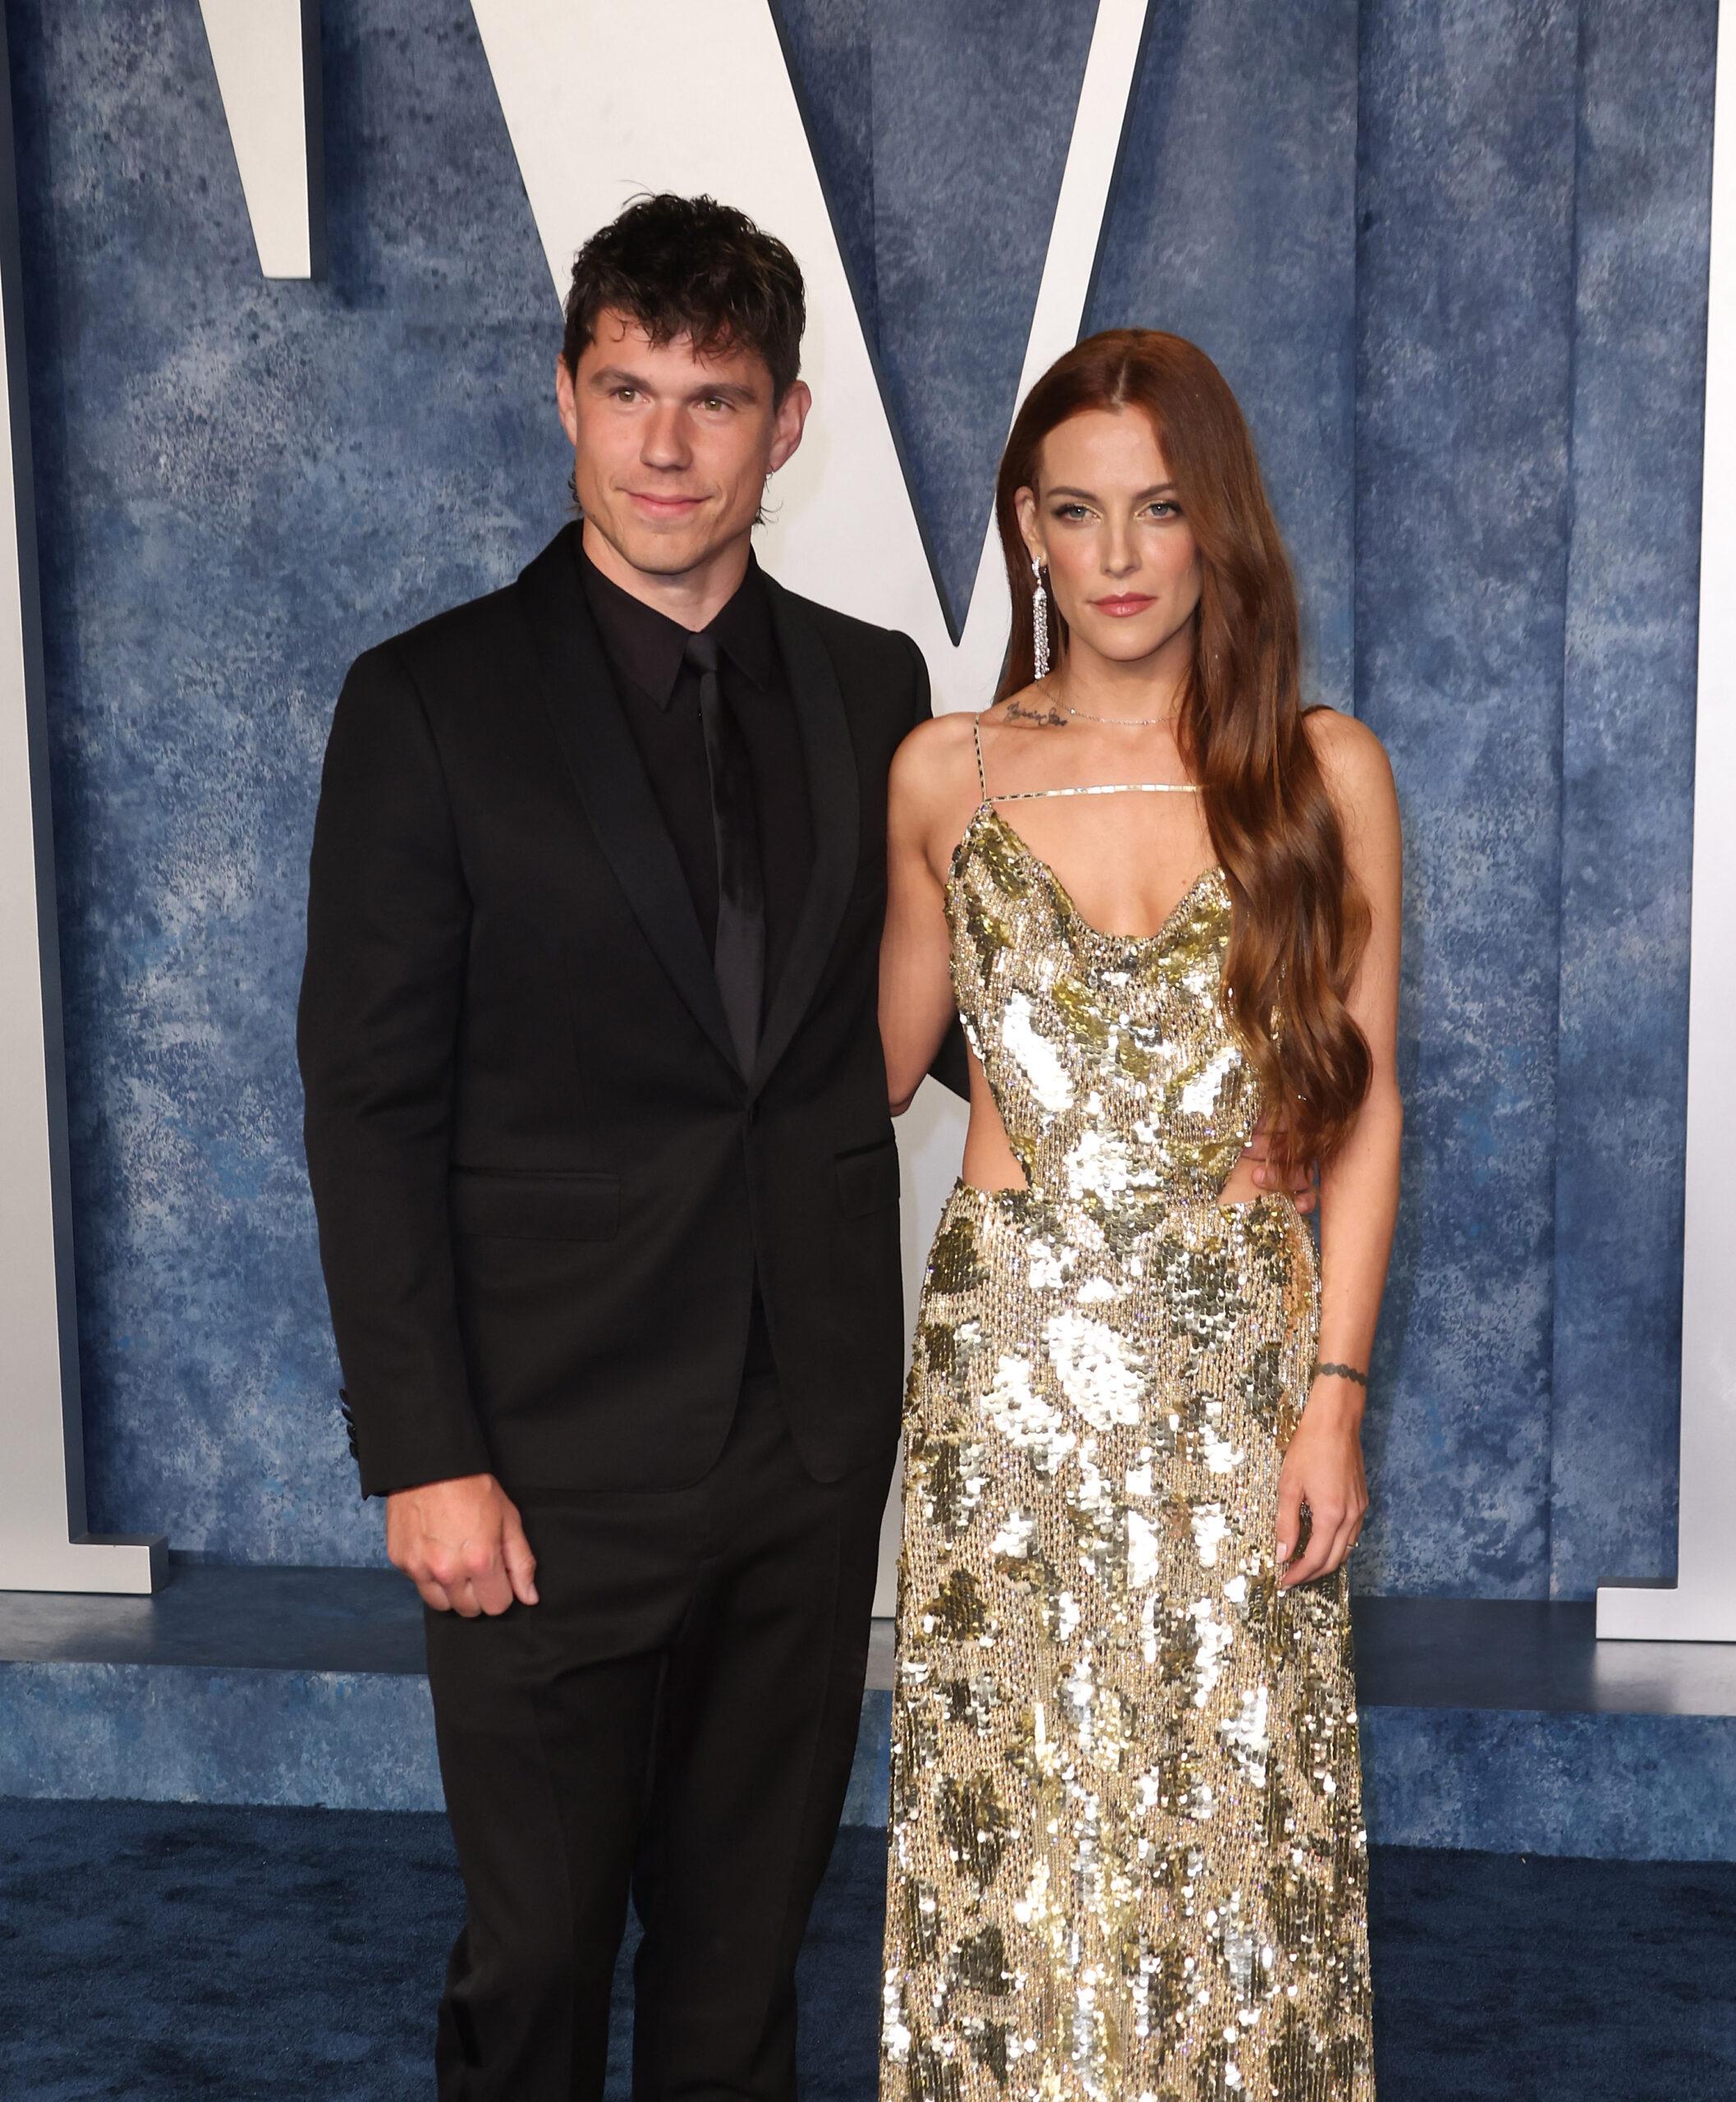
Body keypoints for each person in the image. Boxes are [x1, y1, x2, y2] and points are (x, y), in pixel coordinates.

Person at [297, 192, 969, 2100]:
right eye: (627, 390)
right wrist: (426, 1452)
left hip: (807, 1426)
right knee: (538, 1954)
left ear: (790, 423)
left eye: (717, 399)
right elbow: (367, 1104)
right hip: (542, 1450)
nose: (667, 444)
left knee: (743, 1951)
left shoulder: (866, 689)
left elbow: (911, 1026)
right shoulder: (426, 703)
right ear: (567, 398)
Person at [876, 330, 1401, 2100]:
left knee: (1232, 1830)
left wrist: (1333, 1392)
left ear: (1214, 530)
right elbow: (855, 1071)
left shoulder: (1321, 770)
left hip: (1240, 1363)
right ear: (1027, 527)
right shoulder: (942, 773)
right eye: (1079, 510)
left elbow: (1369, 1100)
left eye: (1159, 510)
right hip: (1004, 1370)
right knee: (1011, 1819)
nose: (1116, 555)